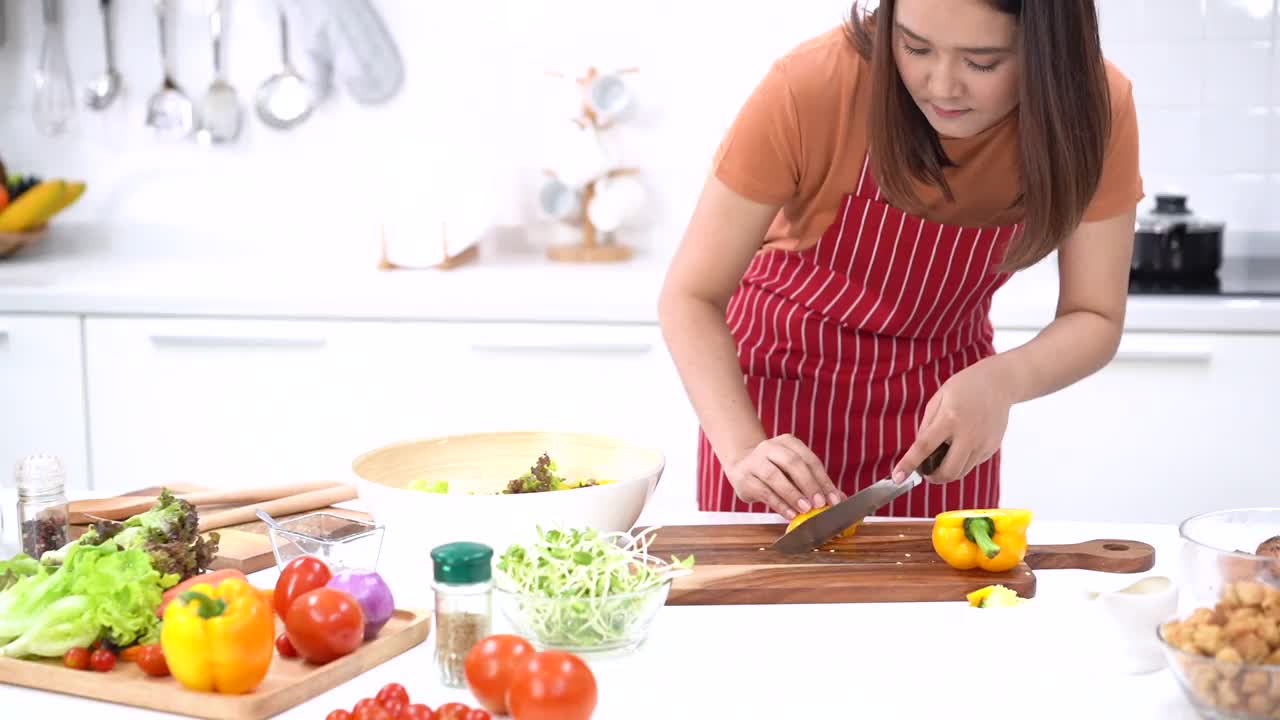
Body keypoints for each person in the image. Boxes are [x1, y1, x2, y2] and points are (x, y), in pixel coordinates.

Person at [657, 0, 1142, 521]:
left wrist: (1002, 381)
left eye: (982, 62)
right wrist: (743, 449)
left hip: (941, 425)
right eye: (914, 47)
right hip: (774, 415)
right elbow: (690, 296)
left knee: (946, 601)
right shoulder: (816, 84)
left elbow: (1095, 315)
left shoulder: (1094, 110)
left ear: (1048, 50)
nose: (941, 85)